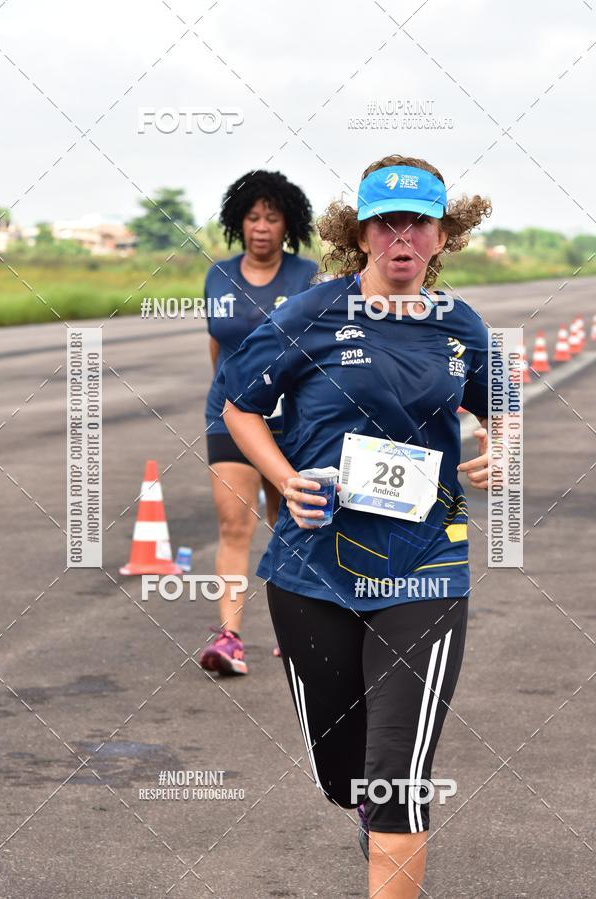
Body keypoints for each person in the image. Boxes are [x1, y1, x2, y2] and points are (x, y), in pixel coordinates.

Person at [219, 155, 492, 897]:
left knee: (397, 777)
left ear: (443, 234)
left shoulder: (460, 324)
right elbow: (238, 406)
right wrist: (284, 478)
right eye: (386, 222)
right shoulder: (311, 312)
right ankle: (366, 806)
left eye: (419, 223)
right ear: (360, 233)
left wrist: (503, 449)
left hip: (426, 566)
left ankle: (387, 822)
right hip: (315, 571)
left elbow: (500, 404)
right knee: (348, 777)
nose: (402, 237)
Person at [200, 170, 318, 675]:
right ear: (238, 223)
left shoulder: (308, 275)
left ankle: (296, 631)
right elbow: (216, 344)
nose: (262, 226)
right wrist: (233, 401)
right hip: (231, 416)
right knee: (234, 524)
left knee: (288, 523)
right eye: (253, 216)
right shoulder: (218, 275)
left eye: (272, 217)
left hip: (292, 422)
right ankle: (229, 637)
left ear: (287, 224)